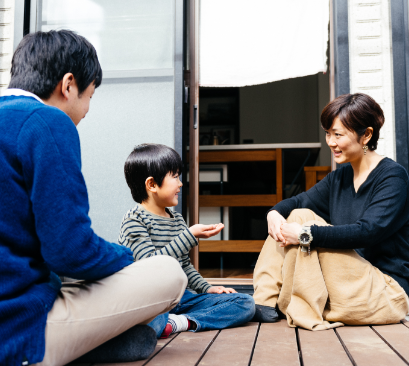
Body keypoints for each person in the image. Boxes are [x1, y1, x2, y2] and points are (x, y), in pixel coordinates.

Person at [0, 30, 187, 366]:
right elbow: (69, 251)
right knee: (169, 273)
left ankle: (108, 340)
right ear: (68, 84)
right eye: (89, 96)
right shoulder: (46, 122)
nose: (86, 110)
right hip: (18, 334)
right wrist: (128, 259)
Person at [252, 93, 409, 329]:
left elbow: (367, 231)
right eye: (328, 133)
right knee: (297, 214)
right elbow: (297, 202)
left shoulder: (392, 177)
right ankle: (263, 303)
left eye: (338, 134)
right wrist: (273, 213)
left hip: (384, 291)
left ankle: (280, 304)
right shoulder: (340, 178)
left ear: (366, 135)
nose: (331, 142)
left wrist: (305, 234)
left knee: (303, 225)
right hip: (345, 283)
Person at [119, 143, 255, 338]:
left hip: (182, 298)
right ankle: (170, 321)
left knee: (244, 303)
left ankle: (181, 322)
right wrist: (189, 236)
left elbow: (184, 266)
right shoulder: (134, 220)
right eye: (174, 176)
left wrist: (207, 288)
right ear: (152, 185)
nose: (180, 183)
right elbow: (148, 264)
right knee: (151, 322)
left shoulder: (177, 220)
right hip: (151, 301)